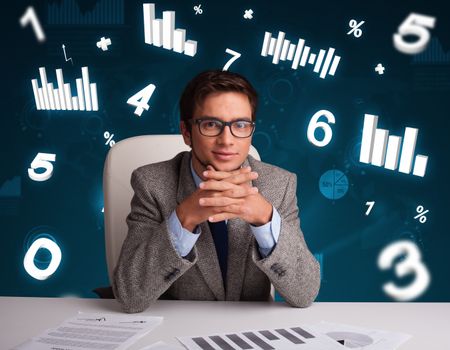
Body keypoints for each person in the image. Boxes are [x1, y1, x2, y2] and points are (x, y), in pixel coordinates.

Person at [113, 70, 320, 313]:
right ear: (187, 132)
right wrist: (184, 218)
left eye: (240, 125)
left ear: (251, 131)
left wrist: (265, 218)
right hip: (176, 331)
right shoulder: (151, 184)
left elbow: (304, 293)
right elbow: (129, 296)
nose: (227, 140)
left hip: (251, 333)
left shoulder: (280, 184)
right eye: (211, 124)